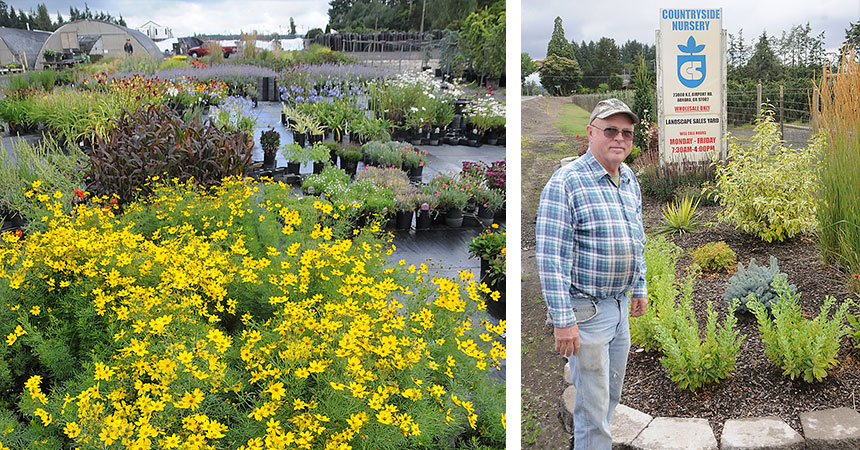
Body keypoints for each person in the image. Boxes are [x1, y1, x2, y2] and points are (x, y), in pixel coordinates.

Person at [536, 98, 648, 449]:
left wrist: (639, 286)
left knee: (608, 396)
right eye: (610, 130)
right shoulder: (566, 183)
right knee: (591, 406)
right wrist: (563, 320)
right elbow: (551, 258)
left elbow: (636, 236)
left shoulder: (628, 178)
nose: (619, 138)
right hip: (586, 312)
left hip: (617, 309)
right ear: (590, 133)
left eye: (626, 132)